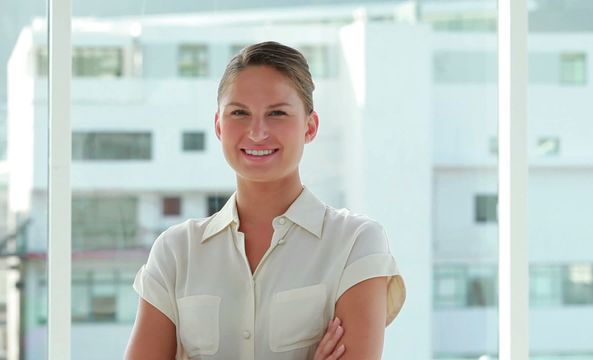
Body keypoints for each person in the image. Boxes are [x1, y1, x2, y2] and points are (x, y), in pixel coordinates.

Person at [124, 41, 405, 360]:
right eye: (239, 113)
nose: (257, 132)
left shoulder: (355, 243)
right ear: (219, 125)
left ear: (310, 127)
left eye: (277, 113)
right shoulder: (175, 252)